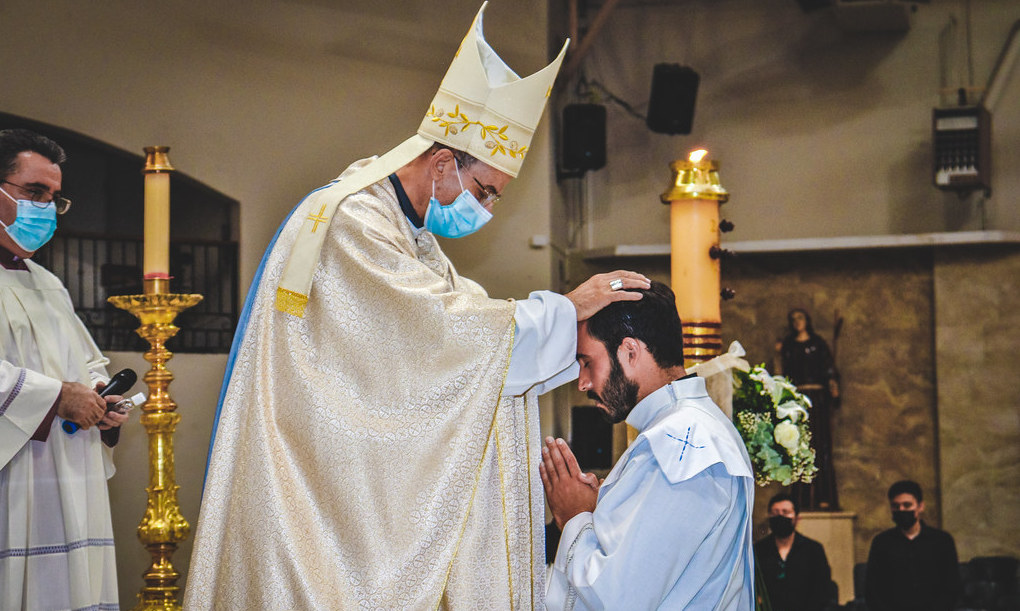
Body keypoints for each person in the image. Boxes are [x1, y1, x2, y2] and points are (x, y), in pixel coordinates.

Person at [184, 5, 649, 609]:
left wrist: (561, 328)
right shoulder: (354, 220)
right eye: (484, 191)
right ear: (441, 162)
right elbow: (442, 338)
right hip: (313, 483)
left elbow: (461, 321)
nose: (485, 209)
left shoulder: (411, 236)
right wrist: (565, 308)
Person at [541, 281, 755, 610]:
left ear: (630, 351)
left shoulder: (681, 444)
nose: (583, 382)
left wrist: (574, 515)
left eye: (587, 362)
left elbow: (617, 598)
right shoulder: (689, 427)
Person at [0, 129, 129, 610]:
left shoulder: (47, 283)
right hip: (12, 478)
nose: (46, 209)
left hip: (68, 479)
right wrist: (59, 396)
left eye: (55, 198)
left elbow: (87, 363)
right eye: (34, 193)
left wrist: (101, 396)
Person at [775, 307, 840, 510]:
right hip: (798, 401)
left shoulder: (818, 344)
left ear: (807, 320)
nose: (797, 322)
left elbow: (828, 367)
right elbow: (781, 373)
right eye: (793, 319)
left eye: (800, 318)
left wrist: (832, 382)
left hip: (817, 400)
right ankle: (800, 498)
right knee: (798, 447)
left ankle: (824, 496)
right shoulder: (788, 346)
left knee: (821, 447)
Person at [865, 480, 960, 611]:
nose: (901, 510)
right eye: (896, 506)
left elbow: (951, 586)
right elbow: (872, 588)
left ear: (920, 507)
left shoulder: (942, 541)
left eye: (907, 505)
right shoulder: (881, 543)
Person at [754, 492, 834, 611]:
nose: (780, 516)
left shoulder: (813, 550)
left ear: (797, 519)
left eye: (785, 512)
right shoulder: (758, 550)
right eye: (775, 512)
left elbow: (822, 591)